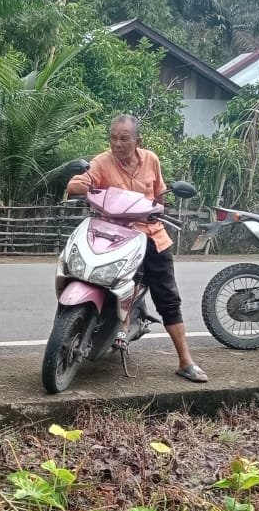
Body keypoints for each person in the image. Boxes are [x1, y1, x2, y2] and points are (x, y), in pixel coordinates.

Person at [66, 115, 208, 383]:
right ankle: (110, 324)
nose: (117, 144)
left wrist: (158, 209)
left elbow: (160, 195)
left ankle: (185, 360)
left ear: (137, 141)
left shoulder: (151, 160)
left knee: (167, 297)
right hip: (115, 235)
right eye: (113, 138)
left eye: (124, 139)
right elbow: (77, 183)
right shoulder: (102, 162)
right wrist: (83, 185)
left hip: (151, 234)